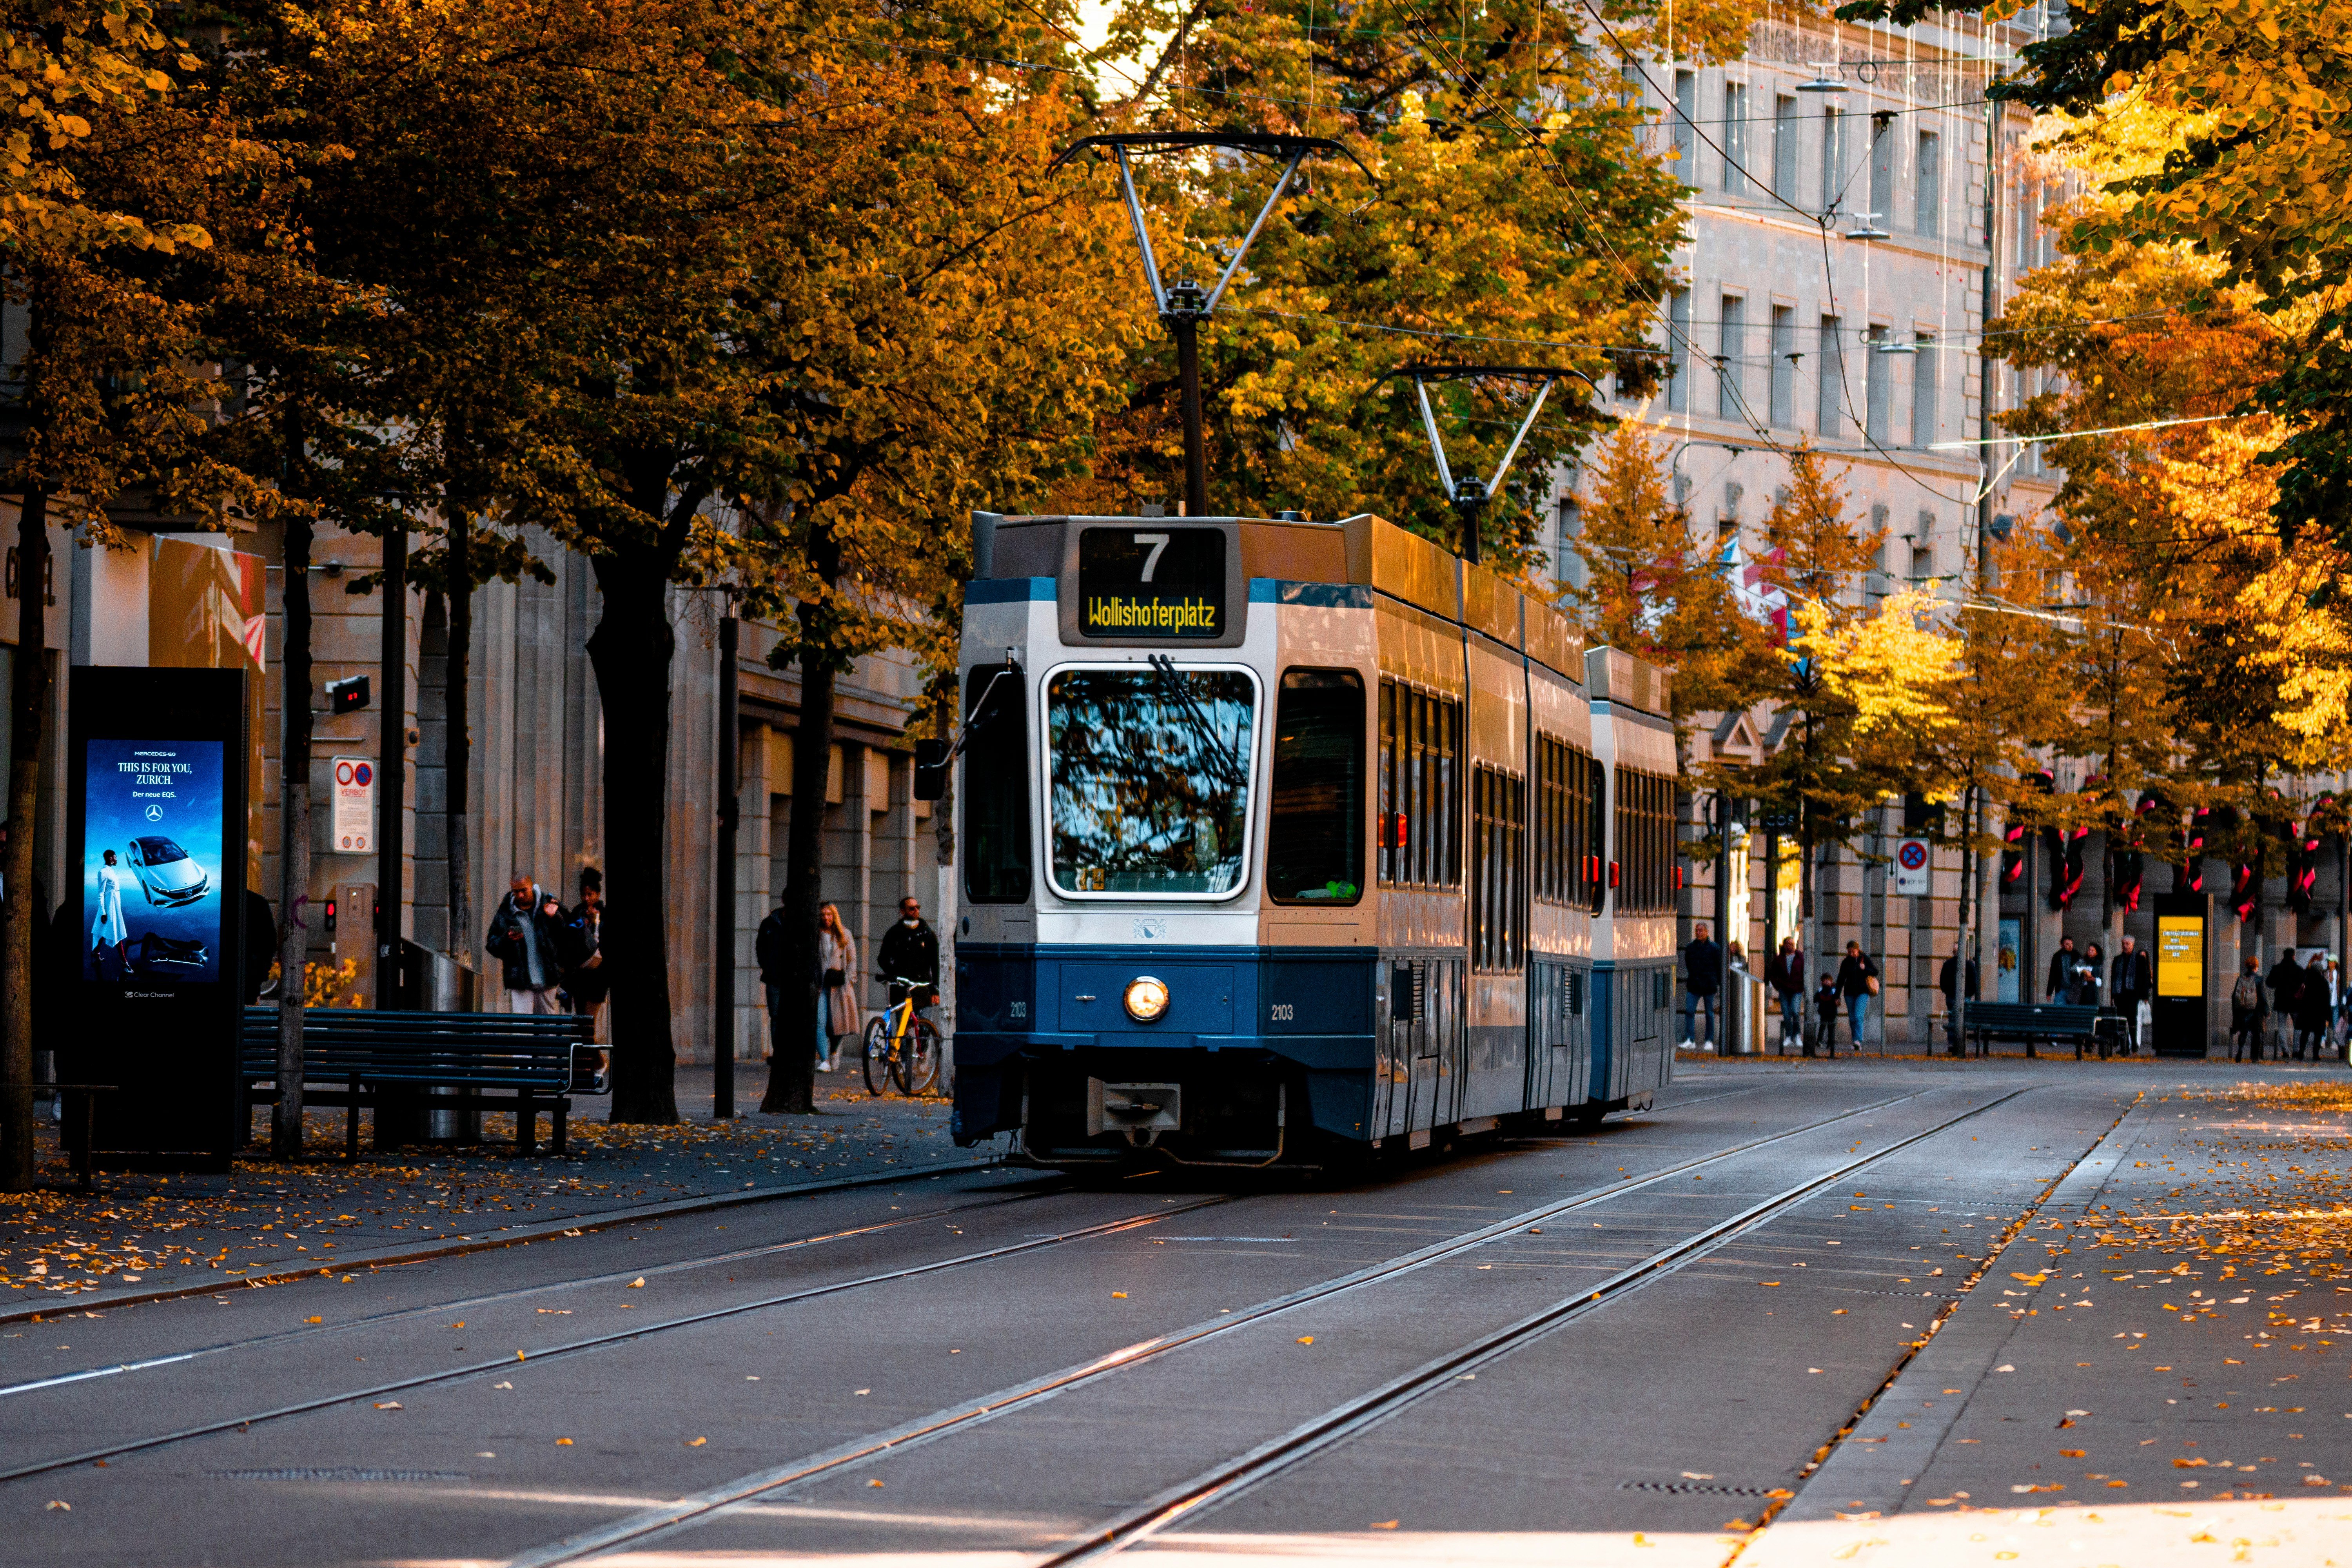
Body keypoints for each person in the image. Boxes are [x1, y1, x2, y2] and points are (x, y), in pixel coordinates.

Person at [487, 872, 565, 1014]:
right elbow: (492, 945)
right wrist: (507, 939)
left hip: (548, 976)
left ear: (532, 886)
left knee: (548, 1024)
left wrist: (555, 917)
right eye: (516, 891)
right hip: (520, 979)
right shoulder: (506, 912)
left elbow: (565, 936)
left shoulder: (548, 904)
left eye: (524, 890)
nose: (521, 895)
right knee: (522, 1023)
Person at [559, 868, 608, 1040]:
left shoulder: (605, 914)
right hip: (580, 975)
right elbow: (570, 940)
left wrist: (595, 924)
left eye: (591, 894)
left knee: (589, 1021)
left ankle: (594, 1055)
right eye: (584, 895)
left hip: (599, 976)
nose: (587, 898)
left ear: (598, 894)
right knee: (581, 1021)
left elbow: (601, 943)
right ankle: (587, 1056)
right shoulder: (577, 913)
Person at [817, 901, 861, 1073]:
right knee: (820, 1022)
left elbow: (852, 960)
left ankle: (834, 1051)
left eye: (829, 914)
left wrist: (848, 979)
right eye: (823, 915)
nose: (826, 918)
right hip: (820, 984)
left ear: (834, 916)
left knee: (840, 1024)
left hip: (839, 984)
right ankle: (825, 1060)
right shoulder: (816, 934)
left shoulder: (845, 934)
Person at [754, 887, 793, 1066]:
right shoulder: (769, 923)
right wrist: (768, 967)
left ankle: (789, 1054)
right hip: (775, 979)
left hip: (794, 980)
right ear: (783, 900)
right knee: (776, 1017)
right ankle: (779, 1054)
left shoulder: (800, 923)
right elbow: (760, 948)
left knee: (792, 1018)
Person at [1682, 922, 1721, 1050]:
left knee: (1709, 1013)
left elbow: (1719, 967)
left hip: (1708, 985)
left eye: (1701, 931)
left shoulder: (1714, 948)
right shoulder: (1690, 948)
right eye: (1697, 931)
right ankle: (1690, 1039)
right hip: (1694, 984)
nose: (1698, 933)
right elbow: (1688, 964)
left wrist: (1716, 982)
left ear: (1707, 932)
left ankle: (1709, 1040)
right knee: (1689, 1011)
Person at [90, 847, 128, 978]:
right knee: (116, 931)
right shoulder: (103, 872)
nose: (117, 860)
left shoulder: (111, 871)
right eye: (116, 857)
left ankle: (96, 952)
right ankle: (124, 962)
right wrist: (103, 912)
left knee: (103, 930)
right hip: (109, 905)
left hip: (115, 904)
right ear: (111, 858)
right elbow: (101, 893)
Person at [2111, 935, 2152, 1054]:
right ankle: (2124, 1046)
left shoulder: (2140, 959)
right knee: (2121, 1020)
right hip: (2120, 994)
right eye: (2123, 944)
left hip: (2133, 994)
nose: (2125, 946)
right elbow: (2113, 978)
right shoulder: (2117, 959)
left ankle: (2134, 1043)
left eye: (2127, 944)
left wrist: (2145, 996)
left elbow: (2145, 978)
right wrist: (2112, 995)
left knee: (2132, 1019)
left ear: (2133, 945)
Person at [1837, 940, 1881, 1052]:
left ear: (1858, 950)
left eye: (1853, 951)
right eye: (1849, 952)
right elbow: (1841, 979)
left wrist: (1865, 968)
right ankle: (1855, 1041)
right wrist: (1837, 996)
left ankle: (1858, 1040)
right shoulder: (1846, 962)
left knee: (1858, 1016)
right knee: (1852, 1018)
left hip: (1862, 992)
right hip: (1849, 993)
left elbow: (1876, 972)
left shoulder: (1865, 959)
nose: (1851, 954)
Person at [1765, 937, 1804, 1053]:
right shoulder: (1779, 959)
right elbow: (1772, 974)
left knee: (1795, 1011)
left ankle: (1797, 1035)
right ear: (1785, 945)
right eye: (1788, 944)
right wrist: (1778, 986)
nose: (1791, 946)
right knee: (1786, 1014)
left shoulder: (1800, 957)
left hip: (1797, 989)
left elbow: (1805, 971)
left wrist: (1803, 985)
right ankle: (1789, 1036)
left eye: (1792, 944)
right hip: (1784, 990)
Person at [1938, 944, 1979, 1056]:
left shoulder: (1948, 964)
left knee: (1952, 1019)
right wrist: (1968, 994)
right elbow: (1974, 983)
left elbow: (1942, 982)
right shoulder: (1969, 965)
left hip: (1951, 997)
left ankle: (1952, 1042)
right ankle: (1960, 1042)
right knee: (1963, 1020)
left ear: (1953, 952)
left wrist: (1948, 992)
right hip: (1965, 997)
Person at [2267, 947, 2306, 1062]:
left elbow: (2269, 983)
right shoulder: (2299, 970)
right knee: (2298, 1026)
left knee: (2282, 1026)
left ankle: (2285, 1050)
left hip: (2281, 1001)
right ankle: (2296, 1050)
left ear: (2284, 956)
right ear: (2294, 956)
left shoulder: (2277, 969)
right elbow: (2304, 984)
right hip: (2295, 1002)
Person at [2297, 951, 2333, 1061]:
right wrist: (2328, 1015)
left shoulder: (2306, 980)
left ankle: (2301, 1053)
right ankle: (2315, 1054)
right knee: (2318, 1034)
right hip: (2319, 1013)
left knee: (2305, 1032)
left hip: (2307, 1010)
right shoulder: (2324, 983)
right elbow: (2327, 1000)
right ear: (2321, 971)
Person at [2230, 955, 2265, 1063]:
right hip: (2256, 1011)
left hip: (2242, 1010)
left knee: (2244, 1032)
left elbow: (2234, 995)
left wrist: (2235, 1011)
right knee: (2256, 1034)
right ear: (2256, 967)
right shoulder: (2259, 979)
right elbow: (2263, 997)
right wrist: (2267, 1011)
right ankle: (2255, 1057)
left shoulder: (2241, 979)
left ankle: (2240, 1050)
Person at [2078, 940, 2107, 1058]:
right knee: (2083, 1018)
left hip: (2093, 993)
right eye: (2089, 950)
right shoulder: (2083, 962)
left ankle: (2091, 1042)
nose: (2090, 952)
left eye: (2092, 951)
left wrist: (2094, 980)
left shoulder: (2100, 965)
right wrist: (2083, 976)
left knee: (2092, 1018)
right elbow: (2075, 972)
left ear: (2097, 953)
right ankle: (2085, 1042)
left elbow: (2103, 981)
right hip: (2083, 993)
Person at [1812, 968, 1844, 1056]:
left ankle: (1830, 1043)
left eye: (1828, 980)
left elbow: (1838, 1000)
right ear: (1822, 982)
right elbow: (1815, 999)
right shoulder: (1821, 991)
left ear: (1831, 981)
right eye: (1825, 981)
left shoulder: (1834, 990)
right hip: (1823, 1012)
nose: (1826, 982)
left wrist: (1838, 1002)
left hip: (1832, 1012)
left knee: (1831, 1028)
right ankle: (1819, 1041)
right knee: (1822, 1027)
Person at [2045, 935, 2081, 1005]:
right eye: (2067, 944)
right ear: (2062, 945)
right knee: (2059, 1009)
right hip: (2061, 989)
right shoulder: (2057, 957)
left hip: (2073, 990)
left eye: (2071, 944)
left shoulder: (2077, 956)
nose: (2070, 946)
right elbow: (2053, 975)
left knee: (2073, 1010)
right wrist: (2049, 992)